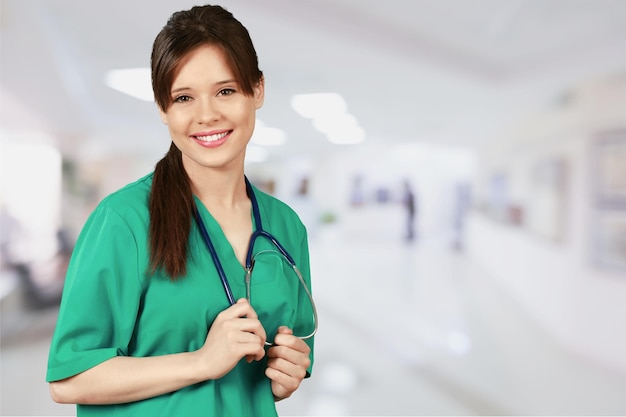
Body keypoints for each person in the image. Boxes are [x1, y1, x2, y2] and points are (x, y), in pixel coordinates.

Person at [46, 5, 315, 416]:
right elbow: (68, 380)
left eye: (225, 91)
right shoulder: (124, 220)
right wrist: (201, 362)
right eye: (184, 97)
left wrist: (285, 375)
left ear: (257, 90)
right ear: (163, 109)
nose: (206, 115)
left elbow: (277, 363)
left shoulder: (285, 227)